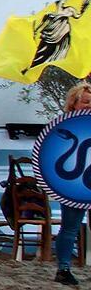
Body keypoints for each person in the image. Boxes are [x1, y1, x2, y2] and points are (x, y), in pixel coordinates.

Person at [55, 81, 91, 285]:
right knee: (70, 227)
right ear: (74, 102)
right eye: (85, 102)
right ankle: (63, 269)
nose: (88, 106)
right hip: (72, 184)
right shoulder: (61, 126)